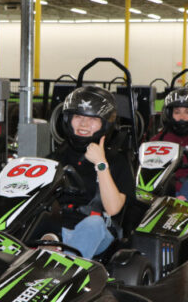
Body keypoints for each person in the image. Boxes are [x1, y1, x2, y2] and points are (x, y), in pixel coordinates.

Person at [49, 86, 134, 259]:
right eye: (78, 117)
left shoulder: (117, 161)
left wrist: (100, 163)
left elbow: (113, 208)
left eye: (93, 119)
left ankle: (65, 271)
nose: (84, 124)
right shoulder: (56, 157)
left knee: (93, 223)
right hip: (59, 230)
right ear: (68, 119)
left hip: (98, 231)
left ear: (105, 124)